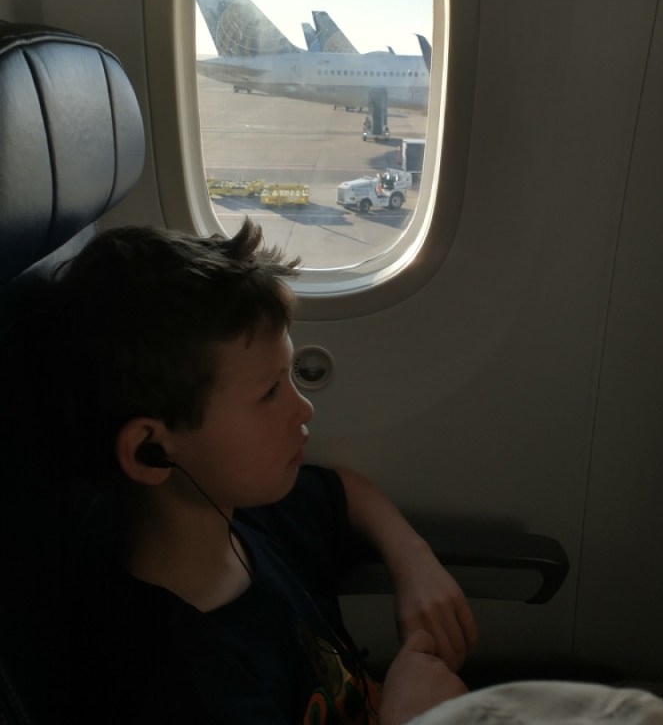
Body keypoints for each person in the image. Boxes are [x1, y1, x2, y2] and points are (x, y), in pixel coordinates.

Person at [43, 219, 476, 725]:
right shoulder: (175, 684)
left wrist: (414, 559)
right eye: (269, 393)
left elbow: (345, 491)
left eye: (289, 377)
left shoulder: (246, 521)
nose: (304, 410)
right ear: (149, 452)